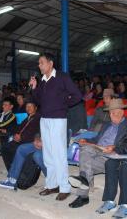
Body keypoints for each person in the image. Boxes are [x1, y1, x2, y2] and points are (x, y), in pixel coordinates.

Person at [29, 52, 82, 201]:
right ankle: (52, 185)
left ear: (50, 63)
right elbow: (38, 100)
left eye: (41, 63)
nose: (39, 66)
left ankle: (65, 187)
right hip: (44, 120)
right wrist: (34, 87)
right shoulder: (43, 81)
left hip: (58, 119)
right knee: (48, 154)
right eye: (39, 63)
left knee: (59, 154)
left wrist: (63, 105)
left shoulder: (62, 77)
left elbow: (77, 95)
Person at [68, 99, 127, 208]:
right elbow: (97, 139)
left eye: (114, 113)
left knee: (84, 163)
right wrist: (86, 140)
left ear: (121, 112)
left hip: (110, 156)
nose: (112, 115)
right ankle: (85, 184)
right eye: (110, 113)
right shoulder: (107, 125)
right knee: (84, 147)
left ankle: (83, 193)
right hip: (97, 150)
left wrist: (114, 147)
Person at [1, 100, 40, 170]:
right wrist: (14, 134)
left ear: (36, 108)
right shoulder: (28, 117)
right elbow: (18, 127)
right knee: (5, 147)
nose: (28, 108)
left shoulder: (37, 118)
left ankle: (16, 169)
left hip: (30, 141)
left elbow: (33, 132)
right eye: (27, 106)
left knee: (11, 148)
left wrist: (21, 137)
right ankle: (11, 169)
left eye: (31, 106)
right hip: (21, 139)